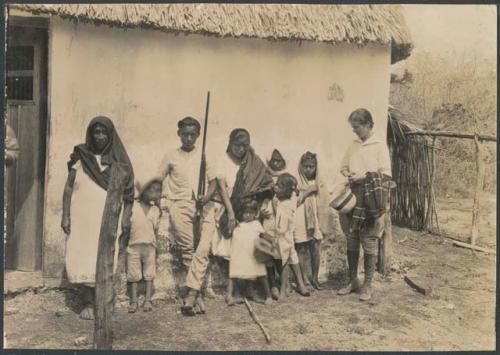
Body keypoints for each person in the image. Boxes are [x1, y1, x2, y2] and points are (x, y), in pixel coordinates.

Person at [61, 116, 134, 320]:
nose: (100, 136)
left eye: (104, 132)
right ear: (90, 134)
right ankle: (88, 302)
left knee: (106, 256)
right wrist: (66, 215)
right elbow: (68, 188)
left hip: (108, 220)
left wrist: (126, 218)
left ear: (110, 135)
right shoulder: (81, 157)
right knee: (83, 255)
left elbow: (128, 195)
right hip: (83, 218)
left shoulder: (119, 161)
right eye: (96, 132)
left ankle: (104, 300)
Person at [156, 117, 217, 300]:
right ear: (179, 134)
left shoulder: (205, 155)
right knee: (188, 250)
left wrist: (205, 197)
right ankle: (195, 293)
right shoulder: (170, 156)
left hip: (204, 206)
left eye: (192, 134)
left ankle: (192, 290)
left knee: (203, 248)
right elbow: (158, 179)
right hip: (179, 205)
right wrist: (159, 201)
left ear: (198, 135)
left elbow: (213, 182)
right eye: (185, 134)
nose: (189, 138)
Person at [337, 108, 392, 301]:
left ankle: (367, 285)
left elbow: (386, 176)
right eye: (353, 127)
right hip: (353, 199)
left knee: (369, 241)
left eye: (357, 127)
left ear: (369, 125)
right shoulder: (353, 145)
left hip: (370, 200)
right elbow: (343, 166)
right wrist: (348, 174)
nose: (354, 131)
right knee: (352, 238)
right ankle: (353, 280)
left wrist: (365, 176)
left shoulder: (379, 146)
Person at [294, 152, 332, 291]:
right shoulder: (296, 181)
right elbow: (295, 200)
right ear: (301, 166)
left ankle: (315, 278)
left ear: (316, 167)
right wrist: (307, 191)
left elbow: (325, 199)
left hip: (316, 219)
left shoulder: (319, 182)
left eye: (311, 166)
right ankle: (304, 279)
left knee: (315, 248)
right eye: (306, 166)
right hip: (301, 218)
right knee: (302, 248)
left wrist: (312, 189)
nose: (308, 169)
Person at [270, 173, 310, 300]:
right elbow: (295, 191)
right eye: (276, 184)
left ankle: (283, 290)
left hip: (284, 236)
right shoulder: (290, 197)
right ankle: (300, 284)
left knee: (285, 261)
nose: (275, 187)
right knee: (293, 258)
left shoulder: (284, 204)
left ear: (287, 191)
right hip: (287, 234)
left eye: (279, 186)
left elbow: (280, 225)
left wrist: (274, 203)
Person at [227, 198, 272, 306]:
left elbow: (264, 235)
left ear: (255, 213)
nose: (247, 215)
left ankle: (268, 295)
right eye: (245, 213)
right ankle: (229, 295)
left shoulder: (256, 224)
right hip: (240, 254)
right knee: (234, 274)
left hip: (253, 254)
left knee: (261, 274)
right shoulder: (238, 225)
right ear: (241, 213)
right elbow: (229, 234)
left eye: (250, 213)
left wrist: (273, 240)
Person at [127, 178, 162, 313]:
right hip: (134, 244)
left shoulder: (155, 210)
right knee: (133, 273)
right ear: (143, 192)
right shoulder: (133, 207)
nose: (155, 194)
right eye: (152, 190)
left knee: (149, 272)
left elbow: (156, 229)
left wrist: (155, 244)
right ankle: (134, 301)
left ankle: (147, 300)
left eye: (158, 191)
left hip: (149, 245)